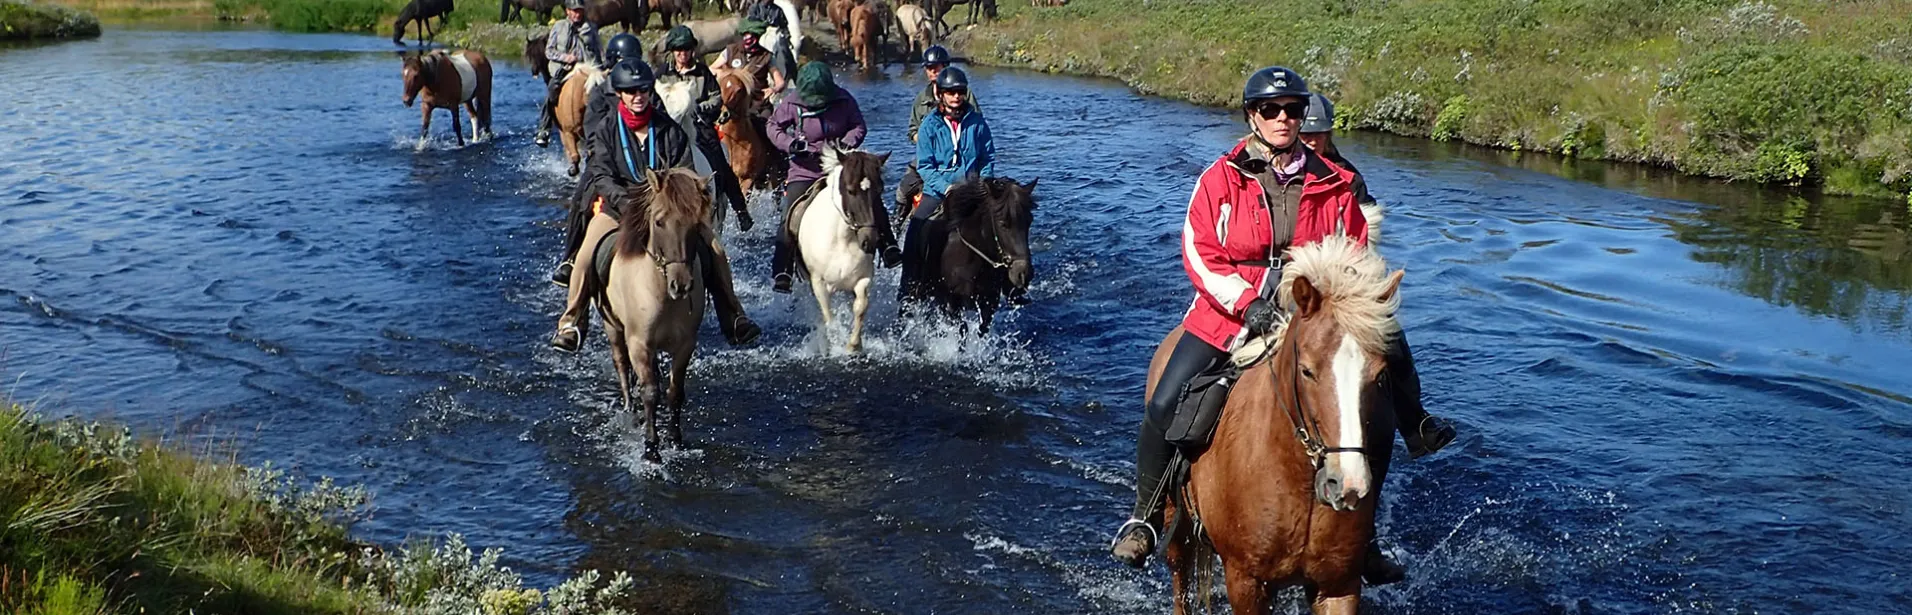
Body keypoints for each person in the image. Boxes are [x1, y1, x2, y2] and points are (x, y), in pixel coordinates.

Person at [1106, 67, 1457, 583]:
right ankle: (1146, 515)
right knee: (1165, 401)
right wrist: (1247, 303)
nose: (1283, 119)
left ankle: (1401, 459)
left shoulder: (1334, 183)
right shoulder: (1221, 178)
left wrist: (1344, 301)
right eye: (1271, 110)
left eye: (1292, 109)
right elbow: (1200, 253)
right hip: (1229, 312)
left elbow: (1355, 252)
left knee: (1380, 379)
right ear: (1253, 116)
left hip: (1312, 310)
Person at [551, 60, 763, 352]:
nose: (638, 96)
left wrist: (673, 202)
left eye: (643, 91)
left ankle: (734, 315)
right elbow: (600, 174)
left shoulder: (669, 130)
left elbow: (685, 171)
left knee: (714, 249)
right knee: (586, 254)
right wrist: (626, 203)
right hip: (619, 209)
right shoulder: (606, 129)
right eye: (631, 91)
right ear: (621, 94)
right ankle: (572, 322)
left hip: (667, 211)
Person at [766, 62, 901, 294]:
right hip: (806, 170)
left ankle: (888, 247)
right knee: (790, 215)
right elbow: (773, 126)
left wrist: (846, 144)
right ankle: (783, 272)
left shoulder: (844, 99)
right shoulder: (791, 103)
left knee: (870, 199)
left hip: (842, 166)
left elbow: (859, 126)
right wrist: (791, 144)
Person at [899, 65, 993, 304]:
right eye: (950, 92)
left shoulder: (977, 123)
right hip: (937, 192)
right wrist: (946, 188)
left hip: (972, 190)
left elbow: (987, 158)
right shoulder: (929, 126)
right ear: (940, 94)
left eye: (960, 91)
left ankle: (1009, 285)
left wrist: (982, 184)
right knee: (915, 232)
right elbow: (926, 167)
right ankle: (908, 289)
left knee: (1006, 223)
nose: (956, 97)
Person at [657, 24, 755, 232]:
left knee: (721, 166)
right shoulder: (662, 73)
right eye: (678, 50)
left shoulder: (703, 73)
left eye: (685, 49)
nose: (682, 54)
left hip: (699, 127)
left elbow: (716, 97)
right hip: (669, 128)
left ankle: (741, 211)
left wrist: (698, 109)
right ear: (673, 52)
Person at [895, 45, 981, 220]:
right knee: (903, 191)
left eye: (937, 66)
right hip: (928, 159)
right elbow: (912, 129)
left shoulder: (964, 94)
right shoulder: (921, 99)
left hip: (962, 161)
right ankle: (897, 226)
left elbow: (976, 126)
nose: (933, 71)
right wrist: (922, 139)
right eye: (929, 67)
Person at [536, 0, 601, 148]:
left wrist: (601, 67)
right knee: (552, 89)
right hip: (565, 69)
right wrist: (566, 57)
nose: (577, 14)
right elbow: (549, 51)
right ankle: (544, 129)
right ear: (567, 11)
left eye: (579, 10)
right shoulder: (559, 27)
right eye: (574, 11)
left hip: (588, 68)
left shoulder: (591, 28)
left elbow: (598, 51)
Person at [1296, 93, 1376, 208]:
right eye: (1306, 135)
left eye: (1319, 134)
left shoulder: (1350, 179)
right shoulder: (1275, 170)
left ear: (1328, 135)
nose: (1313, 142)